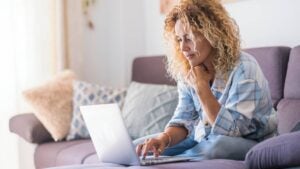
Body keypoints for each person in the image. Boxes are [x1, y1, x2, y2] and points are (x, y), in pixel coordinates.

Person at [135, 0, 277, 160]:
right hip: (206, 137)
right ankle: (177, 157)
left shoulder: (244, 67)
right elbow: (184, 119)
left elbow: (234, 129)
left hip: (250, 141)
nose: (183, 48)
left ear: (212, 34)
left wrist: (201, 87)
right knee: (139, 147)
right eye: (179, 39)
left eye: (188, 38)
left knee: (216, 147)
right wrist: (164, 139)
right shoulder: (188, 69)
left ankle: (178, 159)